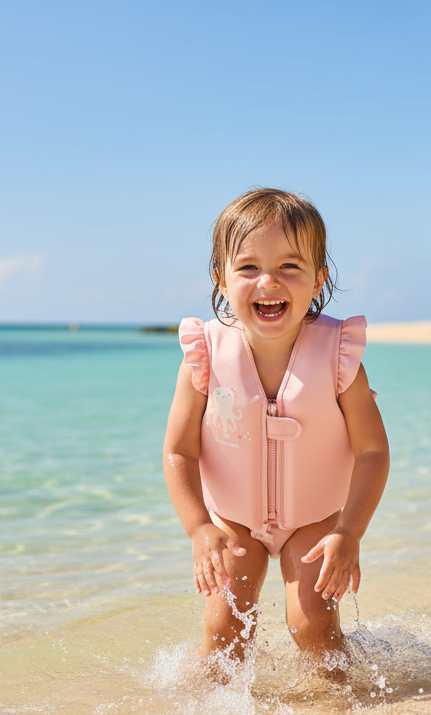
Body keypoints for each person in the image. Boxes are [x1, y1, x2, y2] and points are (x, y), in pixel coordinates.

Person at [163, 188, 389, 679]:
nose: (269, 281)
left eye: (290, 266)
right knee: (224, 631)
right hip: (233, 523)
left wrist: (349, 533)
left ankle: (345, 712)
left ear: (318, 279)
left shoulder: (339, 354)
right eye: (248, 268)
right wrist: (199, 527)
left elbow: (372, 451)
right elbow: (178, 451)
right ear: (221, 278)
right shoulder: (204, 355)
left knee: (311, 626)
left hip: (313, 519)